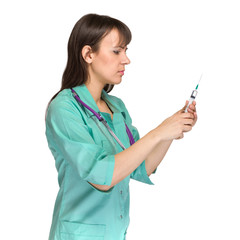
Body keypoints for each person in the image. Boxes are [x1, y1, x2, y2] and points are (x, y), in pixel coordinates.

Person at [45, 13, 197, 240]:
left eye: (126, 51)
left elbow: (140, 166)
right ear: (88, 54)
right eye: (117, 51)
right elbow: (101, 177)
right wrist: (158, 132)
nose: (126, 60)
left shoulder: (116, 106)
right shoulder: (64, 109)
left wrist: (171, 131)